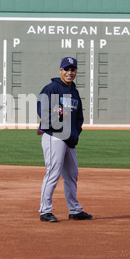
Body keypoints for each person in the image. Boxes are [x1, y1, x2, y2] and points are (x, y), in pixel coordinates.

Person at [36, 56, 92, 222]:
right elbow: (42, 110)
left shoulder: (74, 91)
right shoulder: (52, 88)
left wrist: (74, 133)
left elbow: (78, 117)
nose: (69, 72)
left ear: (76, 71)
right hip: (54, 137)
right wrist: (59, 129)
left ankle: (74, 210)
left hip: (69, 139)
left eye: (72, 69)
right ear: (60, 70)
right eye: (66, 69)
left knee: (72, 175)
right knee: (53, 173)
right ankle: (45, 211)